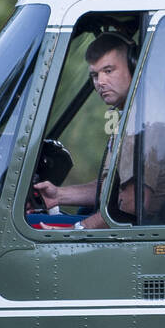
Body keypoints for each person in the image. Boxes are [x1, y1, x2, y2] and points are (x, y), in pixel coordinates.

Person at [31, 32, 136, 230]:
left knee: (31, 227)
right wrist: (58, 195)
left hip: (124, 236)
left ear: (134, 66)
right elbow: (112, 190)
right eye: (95, 75)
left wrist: (76, 229)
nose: (100, 82)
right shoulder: (129, 117)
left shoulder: (143, 126)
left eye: (108, 70)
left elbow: (127, 207)